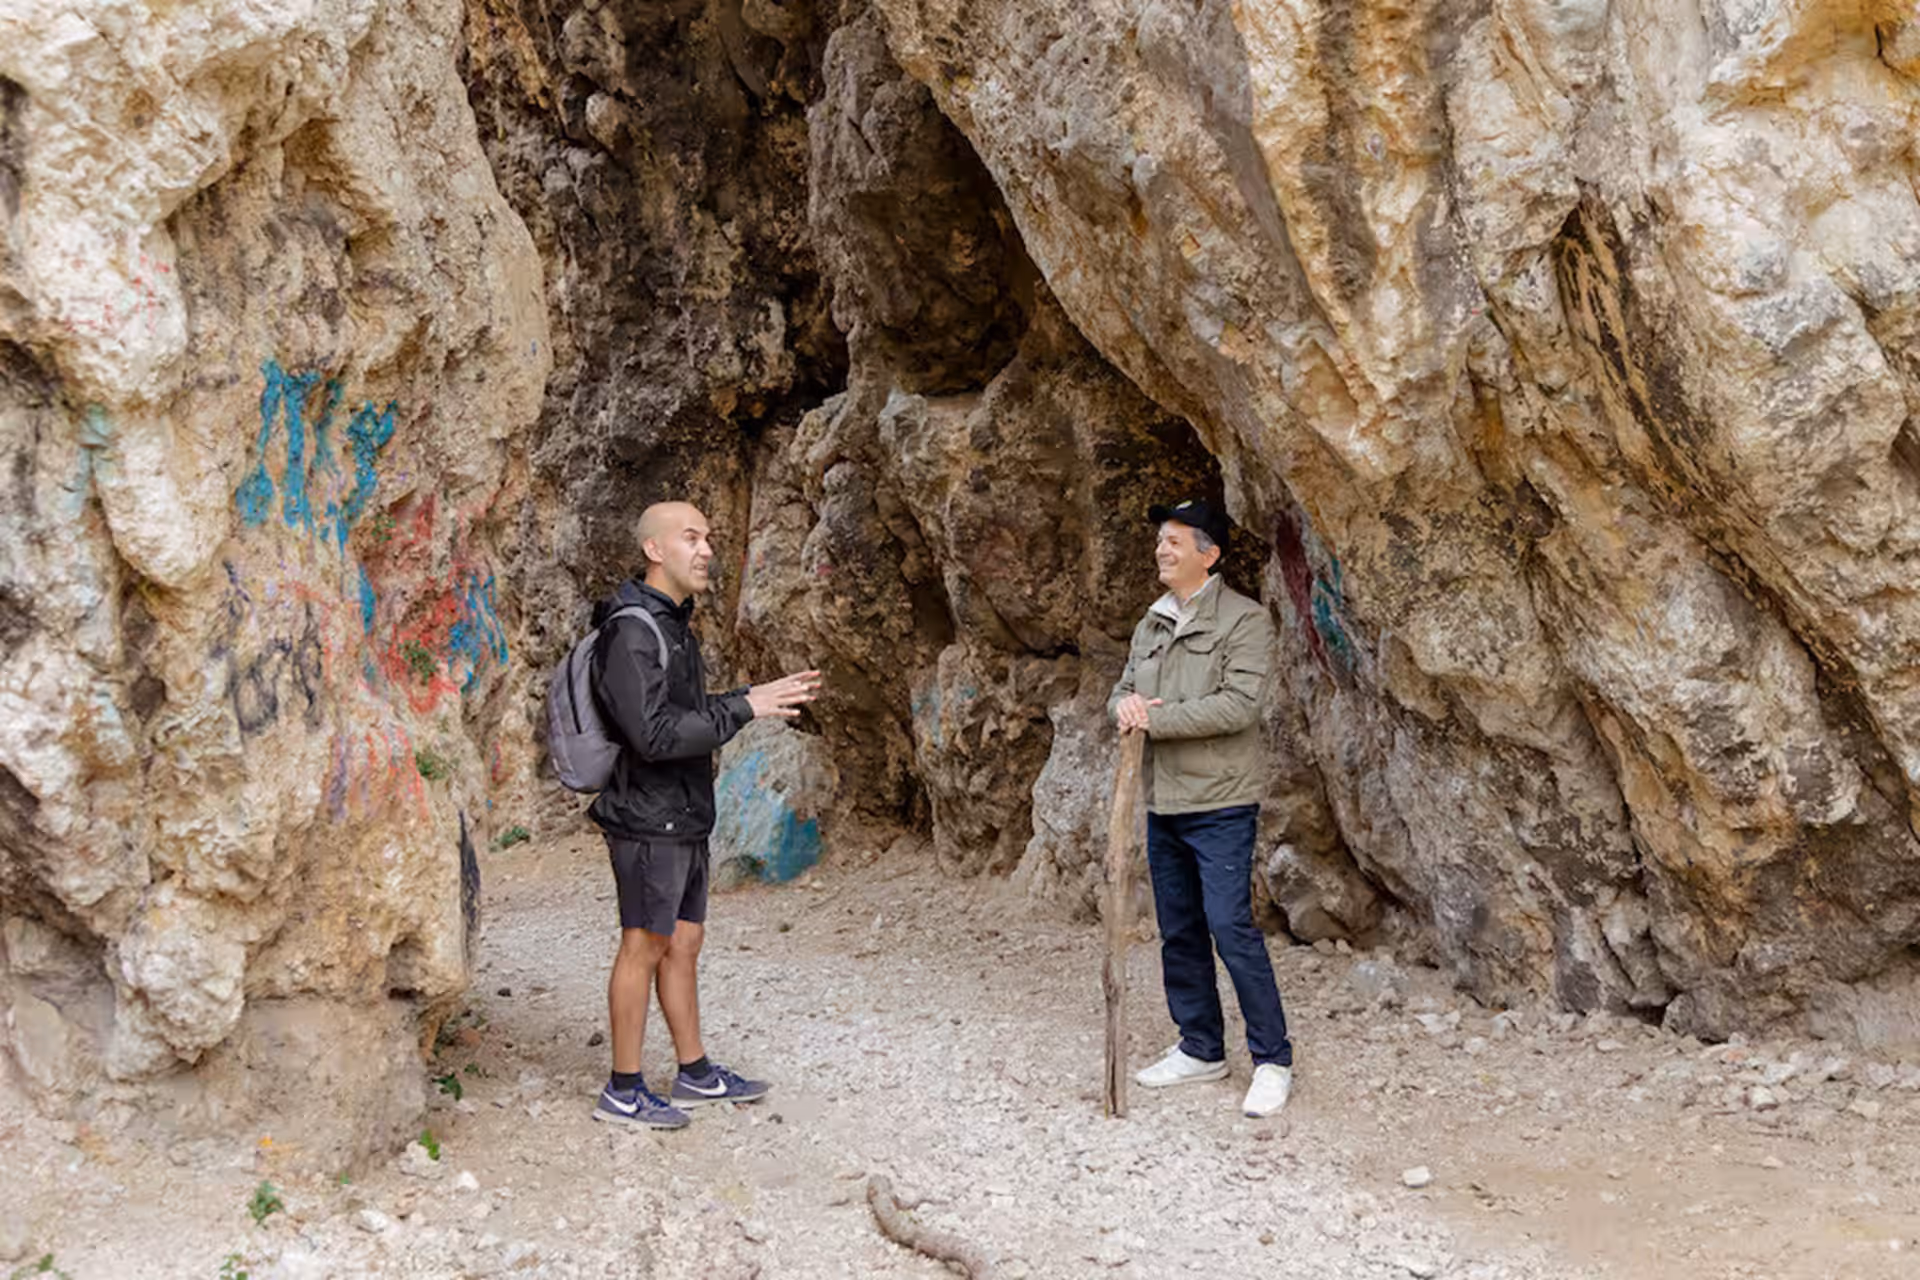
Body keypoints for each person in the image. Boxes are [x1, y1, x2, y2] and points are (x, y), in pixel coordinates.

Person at [587, 501, 821, 1130]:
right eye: (691, 537)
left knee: (684, 940)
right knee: (644, 943)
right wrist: (746, 710)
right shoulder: (632, 630)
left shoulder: (673, 625)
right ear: (655, 550)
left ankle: (693, 1074)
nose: (707, 549)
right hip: (646, 815)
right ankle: (624, 1088)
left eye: (709, 536)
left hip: (684, 812)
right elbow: (655, 735)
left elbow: (685, 713)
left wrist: (749, 699)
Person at [1108, 497, 1295, 1118]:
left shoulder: (1245, 621)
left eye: (1175, 542)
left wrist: (1153, 723)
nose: (1162, 550)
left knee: (1230, 928)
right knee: (1179, 931)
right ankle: (1200, 1047)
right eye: (1160, 540)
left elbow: (1238, 705)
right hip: (1164, 801)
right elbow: (1125, 691)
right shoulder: (1151, 622)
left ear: (1208, 555)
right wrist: (1124, 709)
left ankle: (1272, 1060)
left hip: (1219, 802)